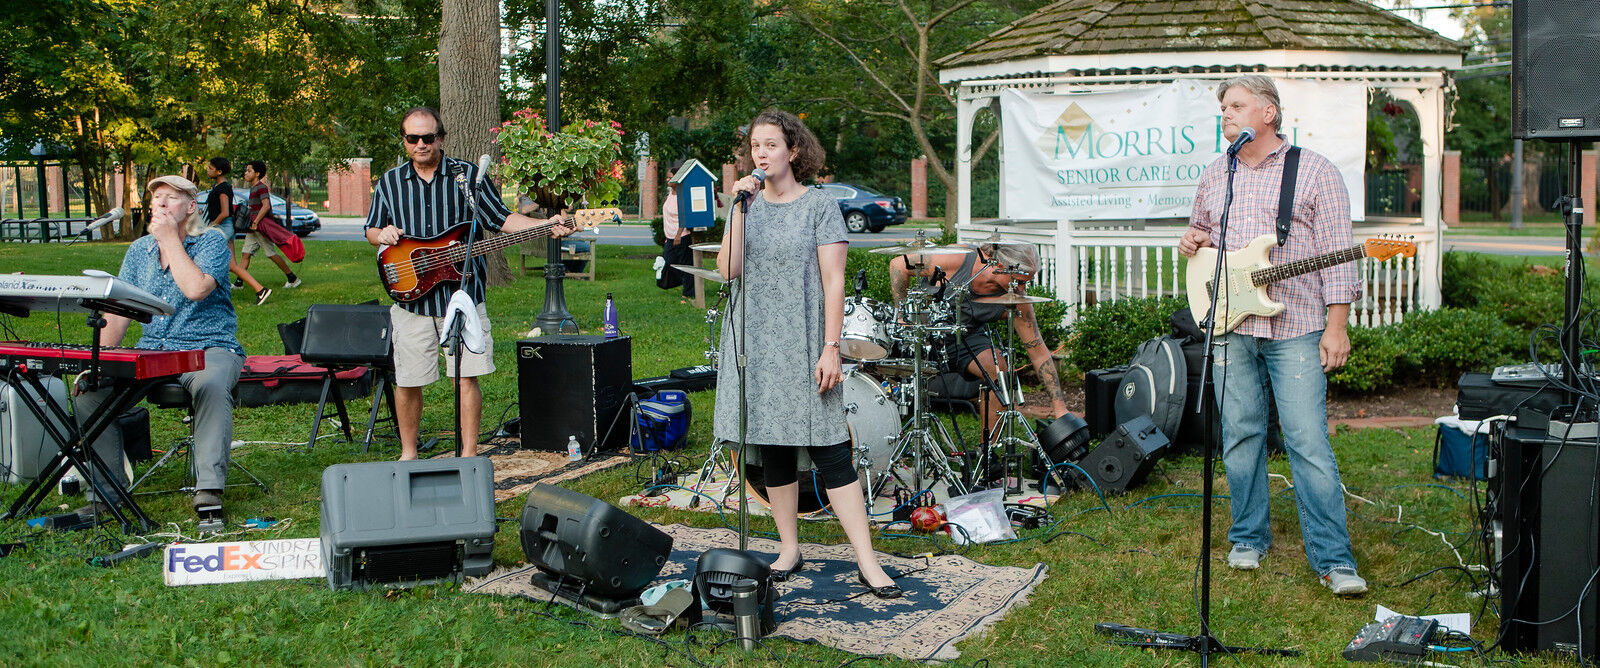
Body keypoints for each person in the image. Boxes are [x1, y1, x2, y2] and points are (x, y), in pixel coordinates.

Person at [1176, 74, 1366, 596]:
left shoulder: (1315, 173)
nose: (1226, 115)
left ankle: (1334, 559)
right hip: (1230, 324)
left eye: (1236, 105)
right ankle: (1247, 537)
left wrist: (1337, 325)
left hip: (1298, 327)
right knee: (1239, 434)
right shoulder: (1217, 175)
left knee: (1307, 441)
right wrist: (1191, 241)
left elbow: (1338, 253)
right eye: (1222, 108)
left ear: (1268, 114)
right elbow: (1201, 238)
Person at [715, 109, 901, 599]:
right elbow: (727, 270)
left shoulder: (819, 206)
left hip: (804, 340)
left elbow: (833, 280)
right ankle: (789, 548)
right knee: (772, 445)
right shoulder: (745, 205)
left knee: (828, 450)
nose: (761, 153)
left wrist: (831, 347)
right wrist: (738, 210)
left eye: (771, 144)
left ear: (793, 151)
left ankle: (867, 560)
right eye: (756, 145)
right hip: (754, 341)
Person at [365, 106, 571, 460]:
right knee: (408, 380)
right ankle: (409, 454)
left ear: (441, 138)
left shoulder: (468, 177)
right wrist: (380, 233)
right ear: (405, 141)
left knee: (466, 376)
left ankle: (469, 455)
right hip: (411, 299)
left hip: (462, 295)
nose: (420, 144)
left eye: (427, 137)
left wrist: (544, 225)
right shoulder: (389, 182)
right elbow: (371, 229)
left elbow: (501, 218)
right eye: (412, 138)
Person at [74, 175, 246, 517]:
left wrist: (170, 242)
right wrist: (101, 362)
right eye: (156, 199)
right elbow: (121, 312)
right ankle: (106, 493)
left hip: (209, 345)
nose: (161, 204)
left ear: (191, 207)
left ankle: (209, 488)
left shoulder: (211, 242)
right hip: (154, 349)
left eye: (171, 197)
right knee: (91, 392)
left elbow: (196, 288)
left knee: (210, 385)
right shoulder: (139, 250)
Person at [887, 242, 1071, 440]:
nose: (1021, 289)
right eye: (1017, 281)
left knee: (1001, 373)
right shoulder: (960, 258)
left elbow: (1039, 352)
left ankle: (989, 455)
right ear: (999, 267)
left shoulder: (1017, 299)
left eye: (1026, 282)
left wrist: (1059, 407)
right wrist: (902, 315)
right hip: (924, 330)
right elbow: (898, 265)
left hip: (966, 337)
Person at [203, 157, 271, 305]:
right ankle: (222, 291)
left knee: (227, 264)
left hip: (223, 229)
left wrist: (210, 227)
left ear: (219, 171)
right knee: (224, 263)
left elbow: (225, 212)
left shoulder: (223, 188)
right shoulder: (218, 187)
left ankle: (260, 289)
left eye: (210, 168)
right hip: (221, 228)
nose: (208, 170)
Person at [239, 160, 302, 289]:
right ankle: (239, 283)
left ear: (257, 173)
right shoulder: (253, 187)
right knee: (245, 253)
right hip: (253, 228)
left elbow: (266, 206)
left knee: (270, 253)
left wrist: (256, 222)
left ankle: (293, 278)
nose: (245, 173)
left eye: (249, 171)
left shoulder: (261, 187)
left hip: (261, 227)